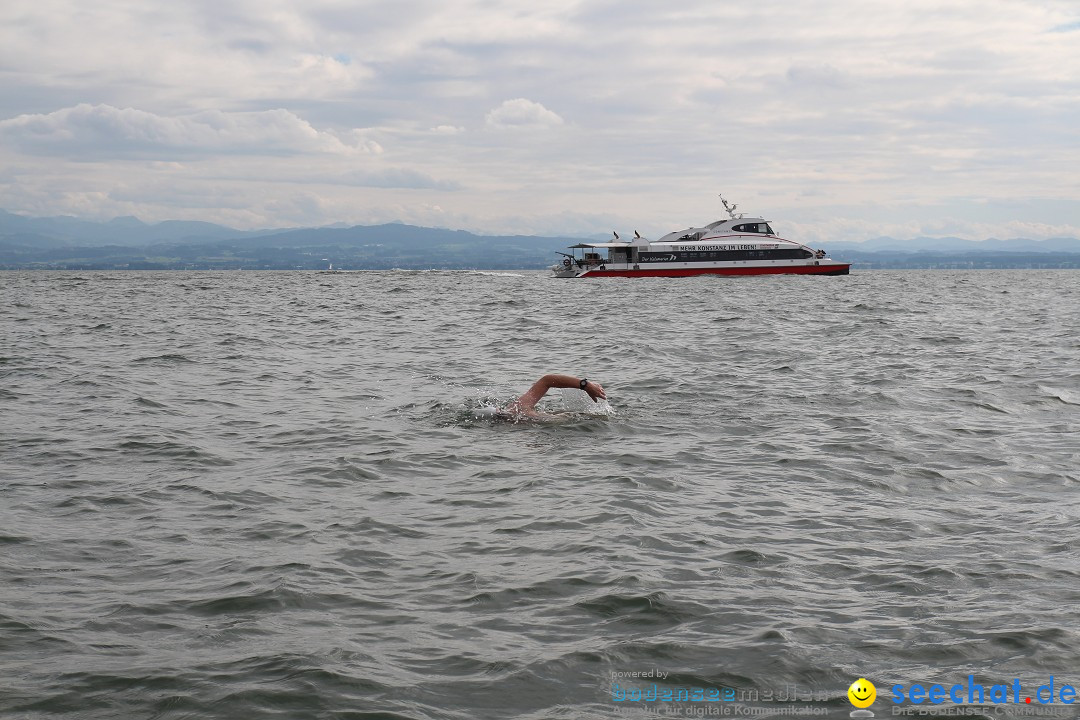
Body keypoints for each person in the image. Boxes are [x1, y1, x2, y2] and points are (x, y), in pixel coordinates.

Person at [505, 374, 607, 418]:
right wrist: (586, 385)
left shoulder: (517, 409)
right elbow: (547, 381)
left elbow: (547, 380)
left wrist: (586, 385)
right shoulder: (516, 409)